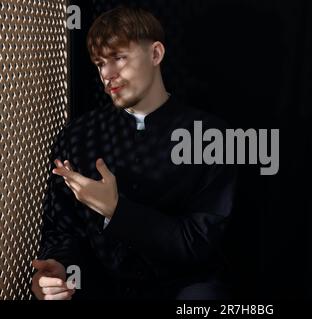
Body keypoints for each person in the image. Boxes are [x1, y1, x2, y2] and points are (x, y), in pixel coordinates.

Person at [31, 6, 236, 300]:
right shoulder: (78, 135)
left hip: (185, 290)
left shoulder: (211, 137)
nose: (106, 74)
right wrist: (55, 271)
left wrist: (116, 210)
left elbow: (198, 243)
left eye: (118, 58)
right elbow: (62, 230)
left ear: (155, 54)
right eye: (100, 62)